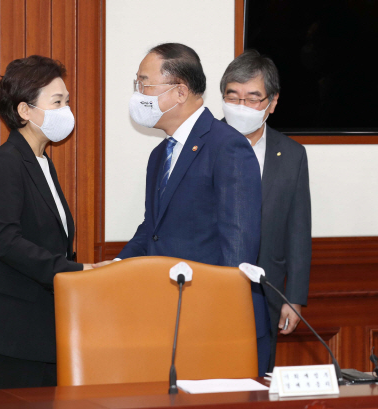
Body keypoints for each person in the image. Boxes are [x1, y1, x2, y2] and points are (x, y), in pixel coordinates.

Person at [114, 43, 267, 373]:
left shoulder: (227, 146)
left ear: (179, 91)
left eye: (145, 84)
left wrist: (217, 325)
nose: (139, 94)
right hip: (170, 318)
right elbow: (152, 230)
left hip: (214, 324)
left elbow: (238, 250)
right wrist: (114, 267)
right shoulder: (160, 155)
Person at [0, 55, 90, 390]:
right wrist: (74, 271)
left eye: (67, 101)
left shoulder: (41, 162)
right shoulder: (5, 163)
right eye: (57, 102)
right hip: (10, 331)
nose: (66, 110)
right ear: (24, 111)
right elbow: (4, 240)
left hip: (39, 328)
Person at [220, 50, 312, 372]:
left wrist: (295, 296)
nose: (241, 107)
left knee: (258, 383)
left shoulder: (291, 154)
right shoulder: (201, 144)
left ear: (272, 103)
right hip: (209, 289)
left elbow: (298, 230)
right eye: (233, 96)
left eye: (253, 98)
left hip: (266, 292)